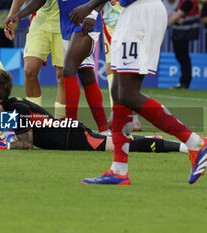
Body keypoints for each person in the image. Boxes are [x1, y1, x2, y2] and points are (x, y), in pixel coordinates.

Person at [69, 0, 207, 185]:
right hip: (131, 12)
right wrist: (92, 12)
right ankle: (119, 170)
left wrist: (89, 8)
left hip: (141, 11)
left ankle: (196, 143)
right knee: (119, 93)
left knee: (127, 94)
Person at [6, 0, 109, 134]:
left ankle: (70, 128)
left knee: (68, 70)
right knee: (85, 74)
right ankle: (103, 130)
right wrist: (17, 16)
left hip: (85, 22)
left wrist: (93, 14)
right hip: (66, 25)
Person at [0, 97, 188, 155]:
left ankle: (181, 146)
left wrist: (0, 145)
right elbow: (10, 129)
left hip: (73, 137)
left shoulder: (17, 108)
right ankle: (155, 141)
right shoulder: (12, 107)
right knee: (121, 144)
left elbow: (25, 144)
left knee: (124, 146)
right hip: (68, 132)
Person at [4, 0, 66, 119]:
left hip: (65, 26)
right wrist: (11, 17)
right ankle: (34, 118)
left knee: (62, 76)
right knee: (29, 71)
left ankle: (60, 121)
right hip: (40, 24)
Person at [102, 0, 142, 131]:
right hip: (113, 20)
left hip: (120, 19)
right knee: (114, 68)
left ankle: (124, 115)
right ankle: (124, 115)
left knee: (117, 68)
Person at [168, 0, 200, 89]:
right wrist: (175, 17)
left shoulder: (188, 2)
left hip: (183, 33)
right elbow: (176, 15)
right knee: (182, 57)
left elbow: (176, 16)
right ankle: (184, 82)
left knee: (183, 57)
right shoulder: (182, 1)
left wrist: (165, 26)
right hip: (181, 33)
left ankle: (185, 82)